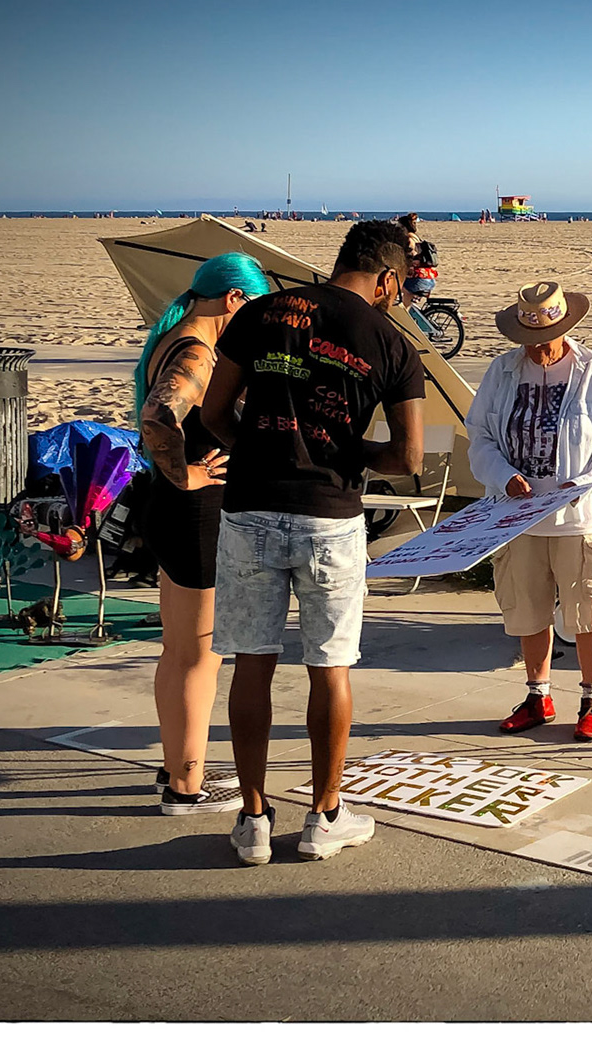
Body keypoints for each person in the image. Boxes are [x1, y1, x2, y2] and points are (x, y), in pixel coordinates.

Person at [200, 220, 425, 865]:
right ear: (385, 277)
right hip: (329, 514)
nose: (399, 297)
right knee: (329, 665)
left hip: (249, 508)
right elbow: (407, 458)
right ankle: (325, 814)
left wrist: (258, 448)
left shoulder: (265, 310)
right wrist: (349, 453)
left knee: (252, 662)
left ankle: (252, 818)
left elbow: (214, 413)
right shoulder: (391, 342)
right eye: (401, 285)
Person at [135, 252, 274, 815]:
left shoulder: (172, 337)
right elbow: (159, 414)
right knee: (201, 657)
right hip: (197, 515)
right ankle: (185, 787)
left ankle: (175, 764)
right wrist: (187, 472)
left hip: (171, 510)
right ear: (235, 299)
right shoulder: (196, 349)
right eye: (255, 308)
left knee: (178, 652)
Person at [466, 281, 592, 742]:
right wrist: (501, 475)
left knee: (589, 611)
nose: (536, 350)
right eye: (527, 342)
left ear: (565, 329)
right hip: (515, 516)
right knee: (527, 609)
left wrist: (581, 483)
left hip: (580, 517)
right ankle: (538, 695)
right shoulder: (502, 370)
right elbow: (479, 434)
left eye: (543, 341)